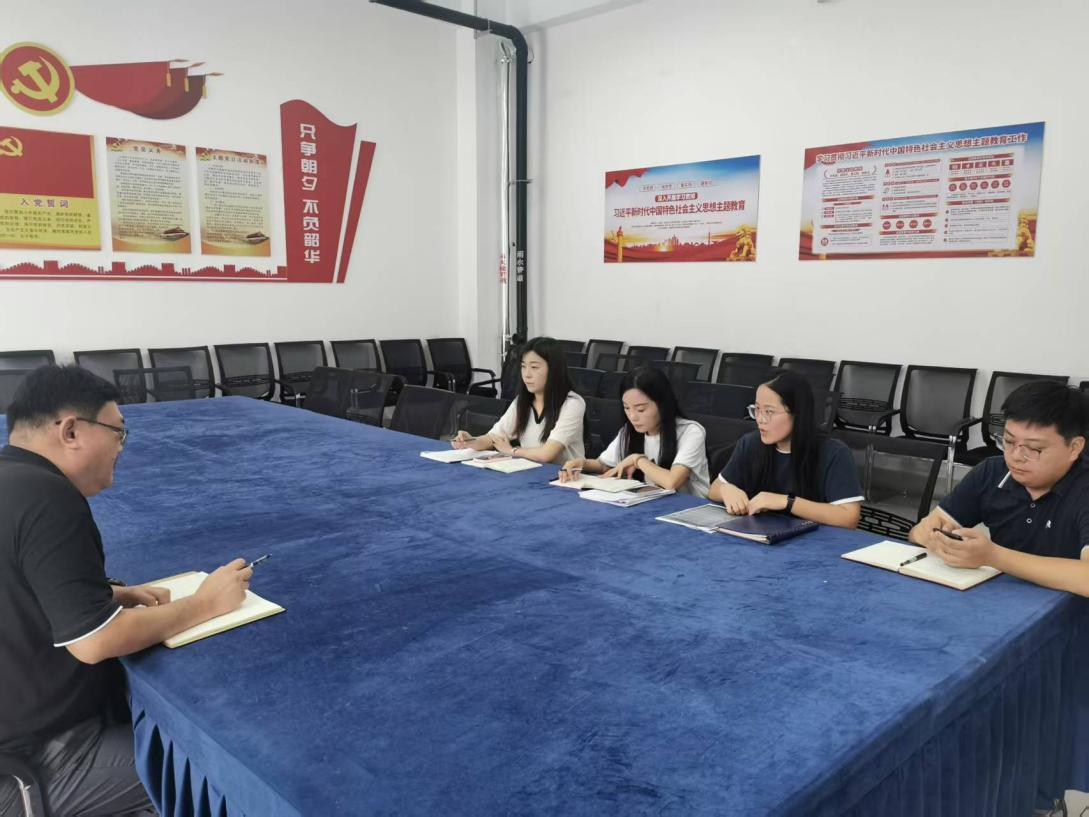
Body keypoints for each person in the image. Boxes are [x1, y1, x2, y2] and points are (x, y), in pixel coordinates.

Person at [0, 366, 253, 817]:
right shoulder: (48, 498)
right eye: (118, 432)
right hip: (31, 764)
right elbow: (96, 641)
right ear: (71, 431)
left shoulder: (12, 481)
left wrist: (109, 594)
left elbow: (17, 585)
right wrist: (207, 602)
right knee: (219, 772)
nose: (121, 448)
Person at [910, 380, 1089, 597]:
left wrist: (993, 556)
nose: (1016, 456)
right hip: (998, 600)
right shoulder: (992, 472)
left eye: (1034, 448)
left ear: (1074, 448)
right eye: (1009, 441)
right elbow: (919, 532)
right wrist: (938, 541)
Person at [708, 370, 862, 528]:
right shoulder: (751, 443)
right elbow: (714, 489)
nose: (760, 419)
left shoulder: (833, 453)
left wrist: (787, 502)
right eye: (757, 409)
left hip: (813, 538)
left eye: (769, 411)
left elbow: (848, 518)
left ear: (797, 413)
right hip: (759, 533)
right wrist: (726, 489)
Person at [559, 366, 710, 497]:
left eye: (641, 409)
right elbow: (605, 465)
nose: (632, 416)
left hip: (690, 511)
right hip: (651, 504)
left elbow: (671, 482)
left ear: (662, 404)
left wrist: (637, 460)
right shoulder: (629, 431)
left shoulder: (691, 432)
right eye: (626, 408)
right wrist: (581, 463)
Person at [452, 337, 585, 464]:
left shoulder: (572, 403)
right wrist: (470, 441)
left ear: (554, 370)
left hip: (565, 476)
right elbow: (494, 438)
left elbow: (547, 454)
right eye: (523, 366)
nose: (526, 374)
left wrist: (512, 451)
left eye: (534, 367)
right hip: (531, 470)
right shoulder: (522, 400)